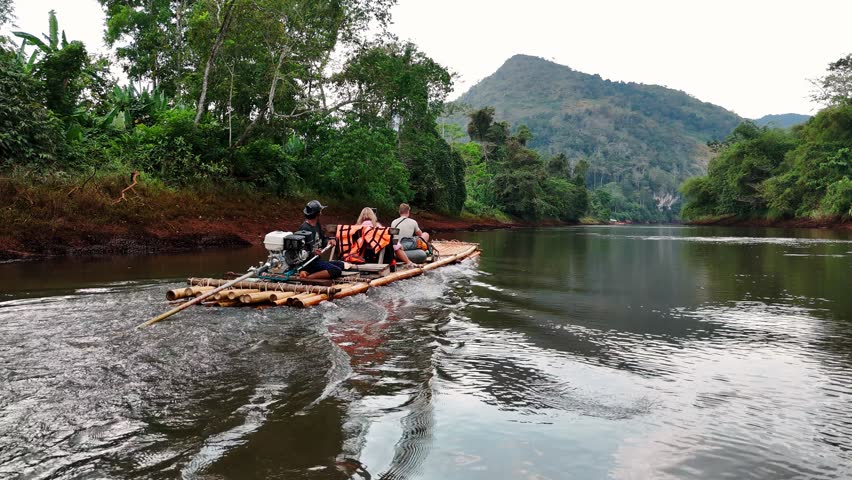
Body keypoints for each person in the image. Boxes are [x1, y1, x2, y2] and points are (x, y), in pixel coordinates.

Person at [297, 200, 343, 280]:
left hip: (316, 261)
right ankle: (308, 278)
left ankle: (308, 272)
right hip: (308, 262)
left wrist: (329, 242)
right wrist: (312, 252)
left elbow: (323, 240)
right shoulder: (304, 228)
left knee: (340, 264)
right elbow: (300, 250)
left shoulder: (317, 225)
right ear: (318, 214)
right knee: (336, 271)